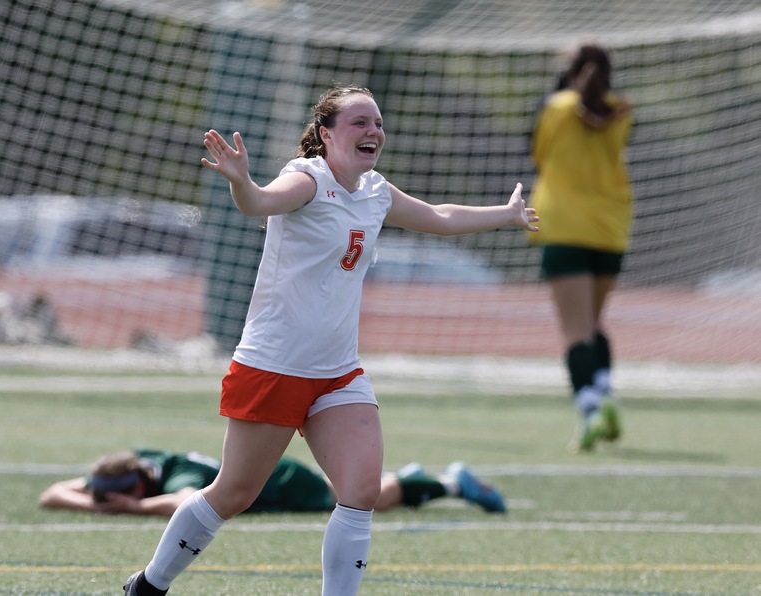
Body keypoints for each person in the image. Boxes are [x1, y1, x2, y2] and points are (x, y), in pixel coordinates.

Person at [124, 83, 538, 596]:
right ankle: (148, 585)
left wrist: (506, 213)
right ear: (326, 133)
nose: (374, 132)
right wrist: (240, 182)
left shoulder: (375, 192)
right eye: (360, 122)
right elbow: (258, 203)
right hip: (274, 366)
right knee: (233, 492)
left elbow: (438, 217)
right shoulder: (307, 179)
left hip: (337, 371)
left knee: (361, 490)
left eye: (378, 123)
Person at [528, 41, 633, 452]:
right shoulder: (622, 110)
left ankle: (591, 408)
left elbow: (540, 153)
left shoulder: (555, 108)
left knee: (575, 332)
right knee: (591, 324)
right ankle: (606, 389)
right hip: (611, 228)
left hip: (563, 226)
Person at [38, 449, 506, 517]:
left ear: (142, 480)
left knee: (365, 500)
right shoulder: (139, 465)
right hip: (269, 474)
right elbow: (52, 492)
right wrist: (95, 503)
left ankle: (451, 484)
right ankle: (412, 478)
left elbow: (185, 501)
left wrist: (136, 509)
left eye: (128, 491)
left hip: (285, 482)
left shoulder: (178, 473)